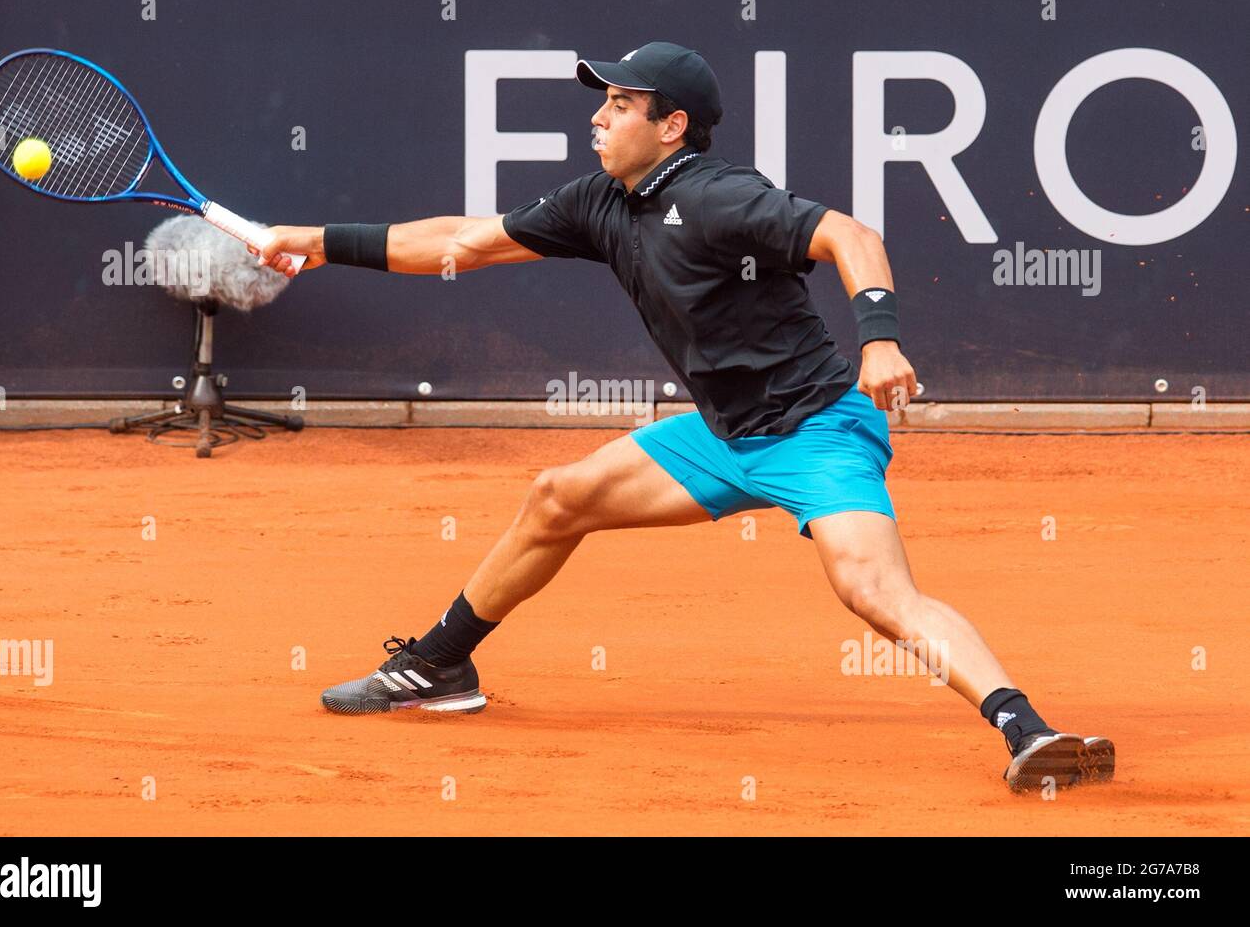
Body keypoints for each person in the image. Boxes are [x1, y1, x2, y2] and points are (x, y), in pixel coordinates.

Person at [254, 42, 1114, 791]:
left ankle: (1026, 729)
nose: (600, 116)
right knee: (558, 498)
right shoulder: (599, 201)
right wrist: (319, 241)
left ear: (671, 127)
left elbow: (849, 234)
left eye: (621, 103)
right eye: (603, 100)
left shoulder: (718, 196)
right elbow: (465, 243)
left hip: (815, 430)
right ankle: (438, 664)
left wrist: (880, 340)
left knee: (875, 593)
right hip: (719, 433)